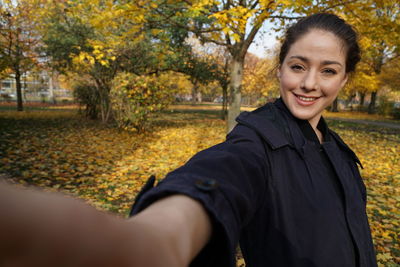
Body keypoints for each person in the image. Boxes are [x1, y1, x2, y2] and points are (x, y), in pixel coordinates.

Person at [0, 13, 377, 267]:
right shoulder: (256, 141)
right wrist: (157, 239)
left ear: (344, 80)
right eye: (298, 66)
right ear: (280, 68)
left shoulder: (339, 151)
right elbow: (223, 176)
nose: (310, 83)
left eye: (328, 71)